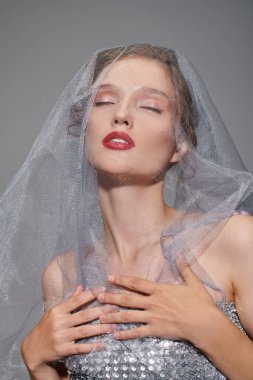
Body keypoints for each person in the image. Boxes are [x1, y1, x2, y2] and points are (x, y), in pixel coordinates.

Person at [1, 44, 253, 380]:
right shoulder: (61, 276)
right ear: (82, 130)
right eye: (103, 101)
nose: (121, 115)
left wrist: (209, 328)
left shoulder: (235, 241)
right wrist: (39, 366)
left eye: (150, 106)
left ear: (179, 145)